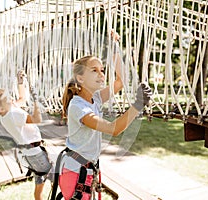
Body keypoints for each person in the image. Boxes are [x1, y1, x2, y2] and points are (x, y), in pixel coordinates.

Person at [51, 31, 152, 200]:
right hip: (76, 172)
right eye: (94, 70)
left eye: (102, 70)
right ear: (80, 79)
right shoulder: (77, 106)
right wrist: (137, 105)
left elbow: (121, 80)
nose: (101, 74)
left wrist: (114, 49)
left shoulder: (94, 98)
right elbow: (113, 129)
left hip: (84, 170)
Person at [0, 71, 53, 200]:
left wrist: (20, 82)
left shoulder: (6, 114)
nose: (11, 98)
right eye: (8, 98)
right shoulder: (13, 114)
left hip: (30, 154)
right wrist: (36, 104)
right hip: (36, 153)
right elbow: (36, 119)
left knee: (40, 181)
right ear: (0, 108)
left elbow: (22, 99)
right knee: (57, 176)